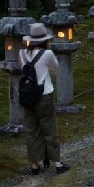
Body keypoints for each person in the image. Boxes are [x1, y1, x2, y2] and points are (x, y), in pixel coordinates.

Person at [20, 23, 70, 175]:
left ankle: (35, 165)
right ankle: (57, 163)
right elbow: (56, 67)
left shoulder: (22, 53)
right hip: (44, 95)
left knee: (31, 130)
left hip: (27, 96)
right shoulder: (46, 54)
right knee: (49, 129)